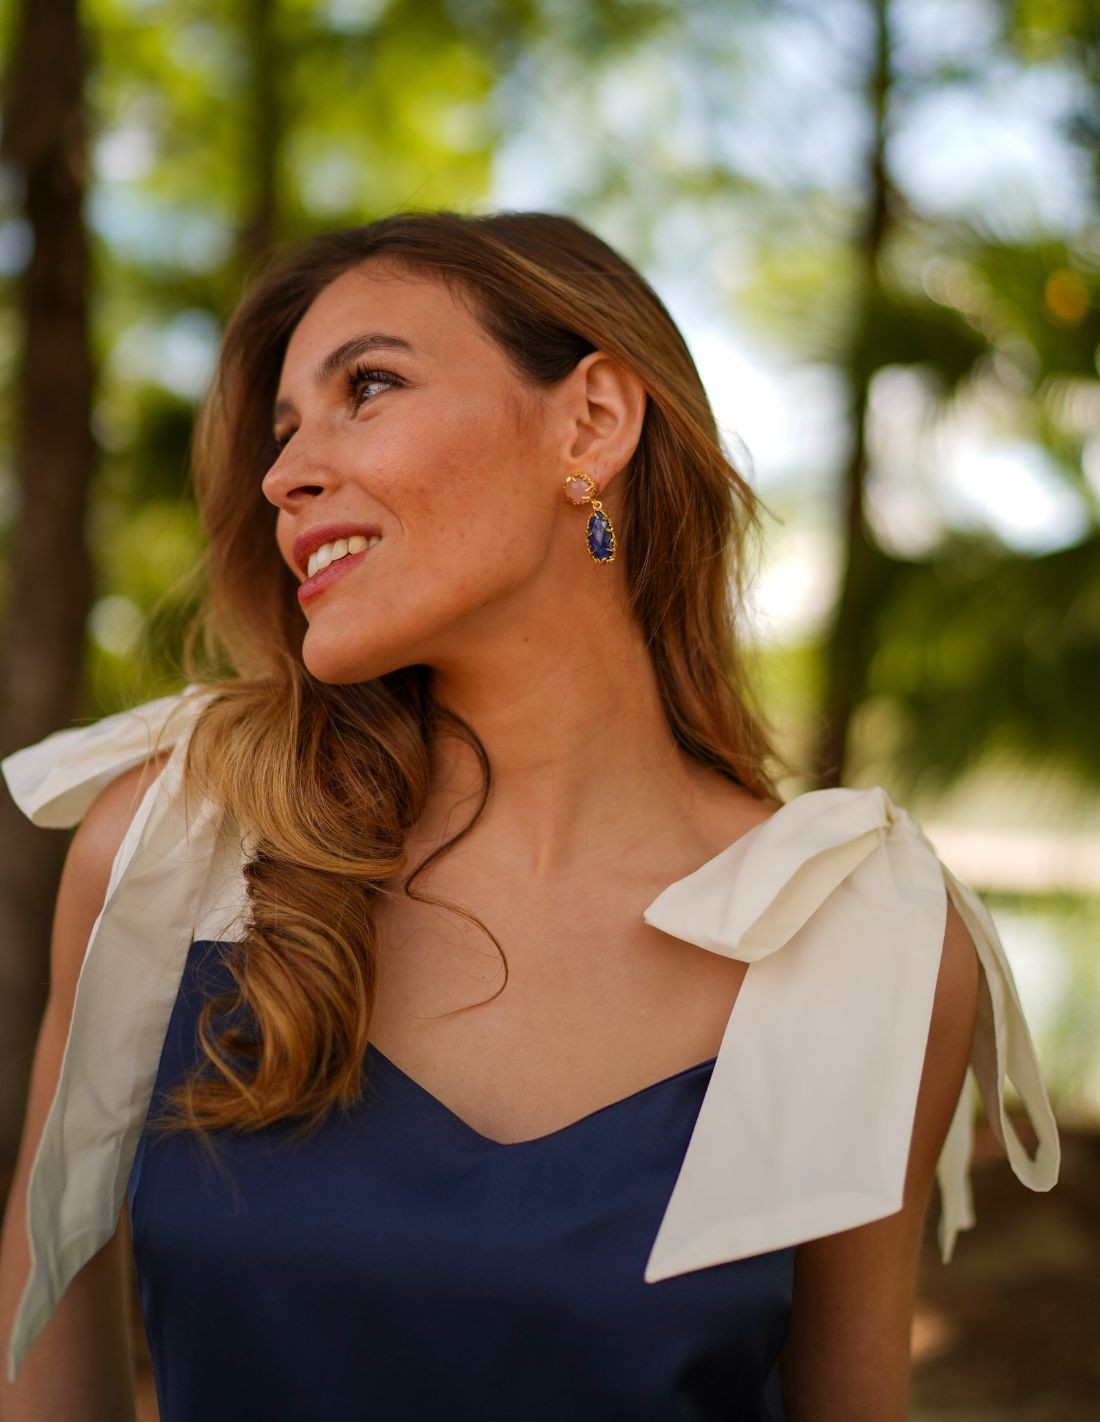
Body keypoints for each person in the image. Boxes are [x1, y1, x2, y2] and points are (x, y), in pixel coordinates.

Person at [0, 209, 1060, 1421]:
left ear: (591, 421)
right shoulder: (171, 854)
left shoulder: (853, 938)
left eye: (367, 386)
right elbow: (43, 1336)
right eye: (284, 432)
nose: (281, 478)